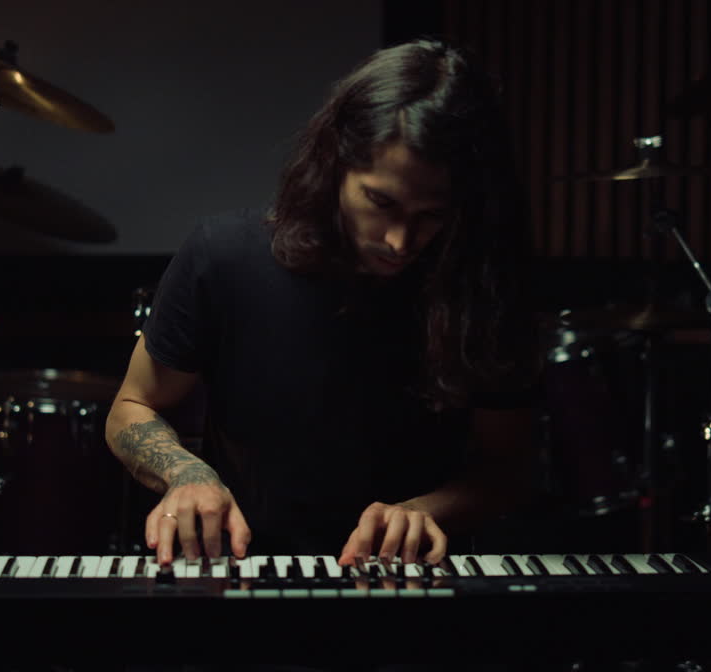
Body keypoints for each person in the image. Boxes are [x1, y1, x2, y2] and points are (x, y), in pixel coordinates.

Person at [104, 38, 540, 577]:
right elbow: (133, 405)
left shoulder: (486, 283)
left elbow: (508, 470)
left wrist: (422, 512)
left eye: (432, 215)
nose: (400, 241)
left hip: (414, 583)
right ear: (336, 162)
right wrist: (187, 474)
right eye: (381, 202)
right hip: (242, 574)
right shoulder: (224, 255)